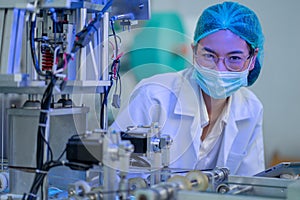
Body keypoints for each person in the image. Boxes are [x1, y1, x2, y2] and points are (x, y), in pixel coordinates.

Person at [110, 1, 265, 176]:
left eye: (234, 58)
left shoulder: (251, 108)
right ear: (193, 51)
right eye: (209, 56)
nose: (220, 70)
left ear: (252, 59)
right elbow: (113, 172)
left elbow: (250, 183)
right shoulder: (154, 96)